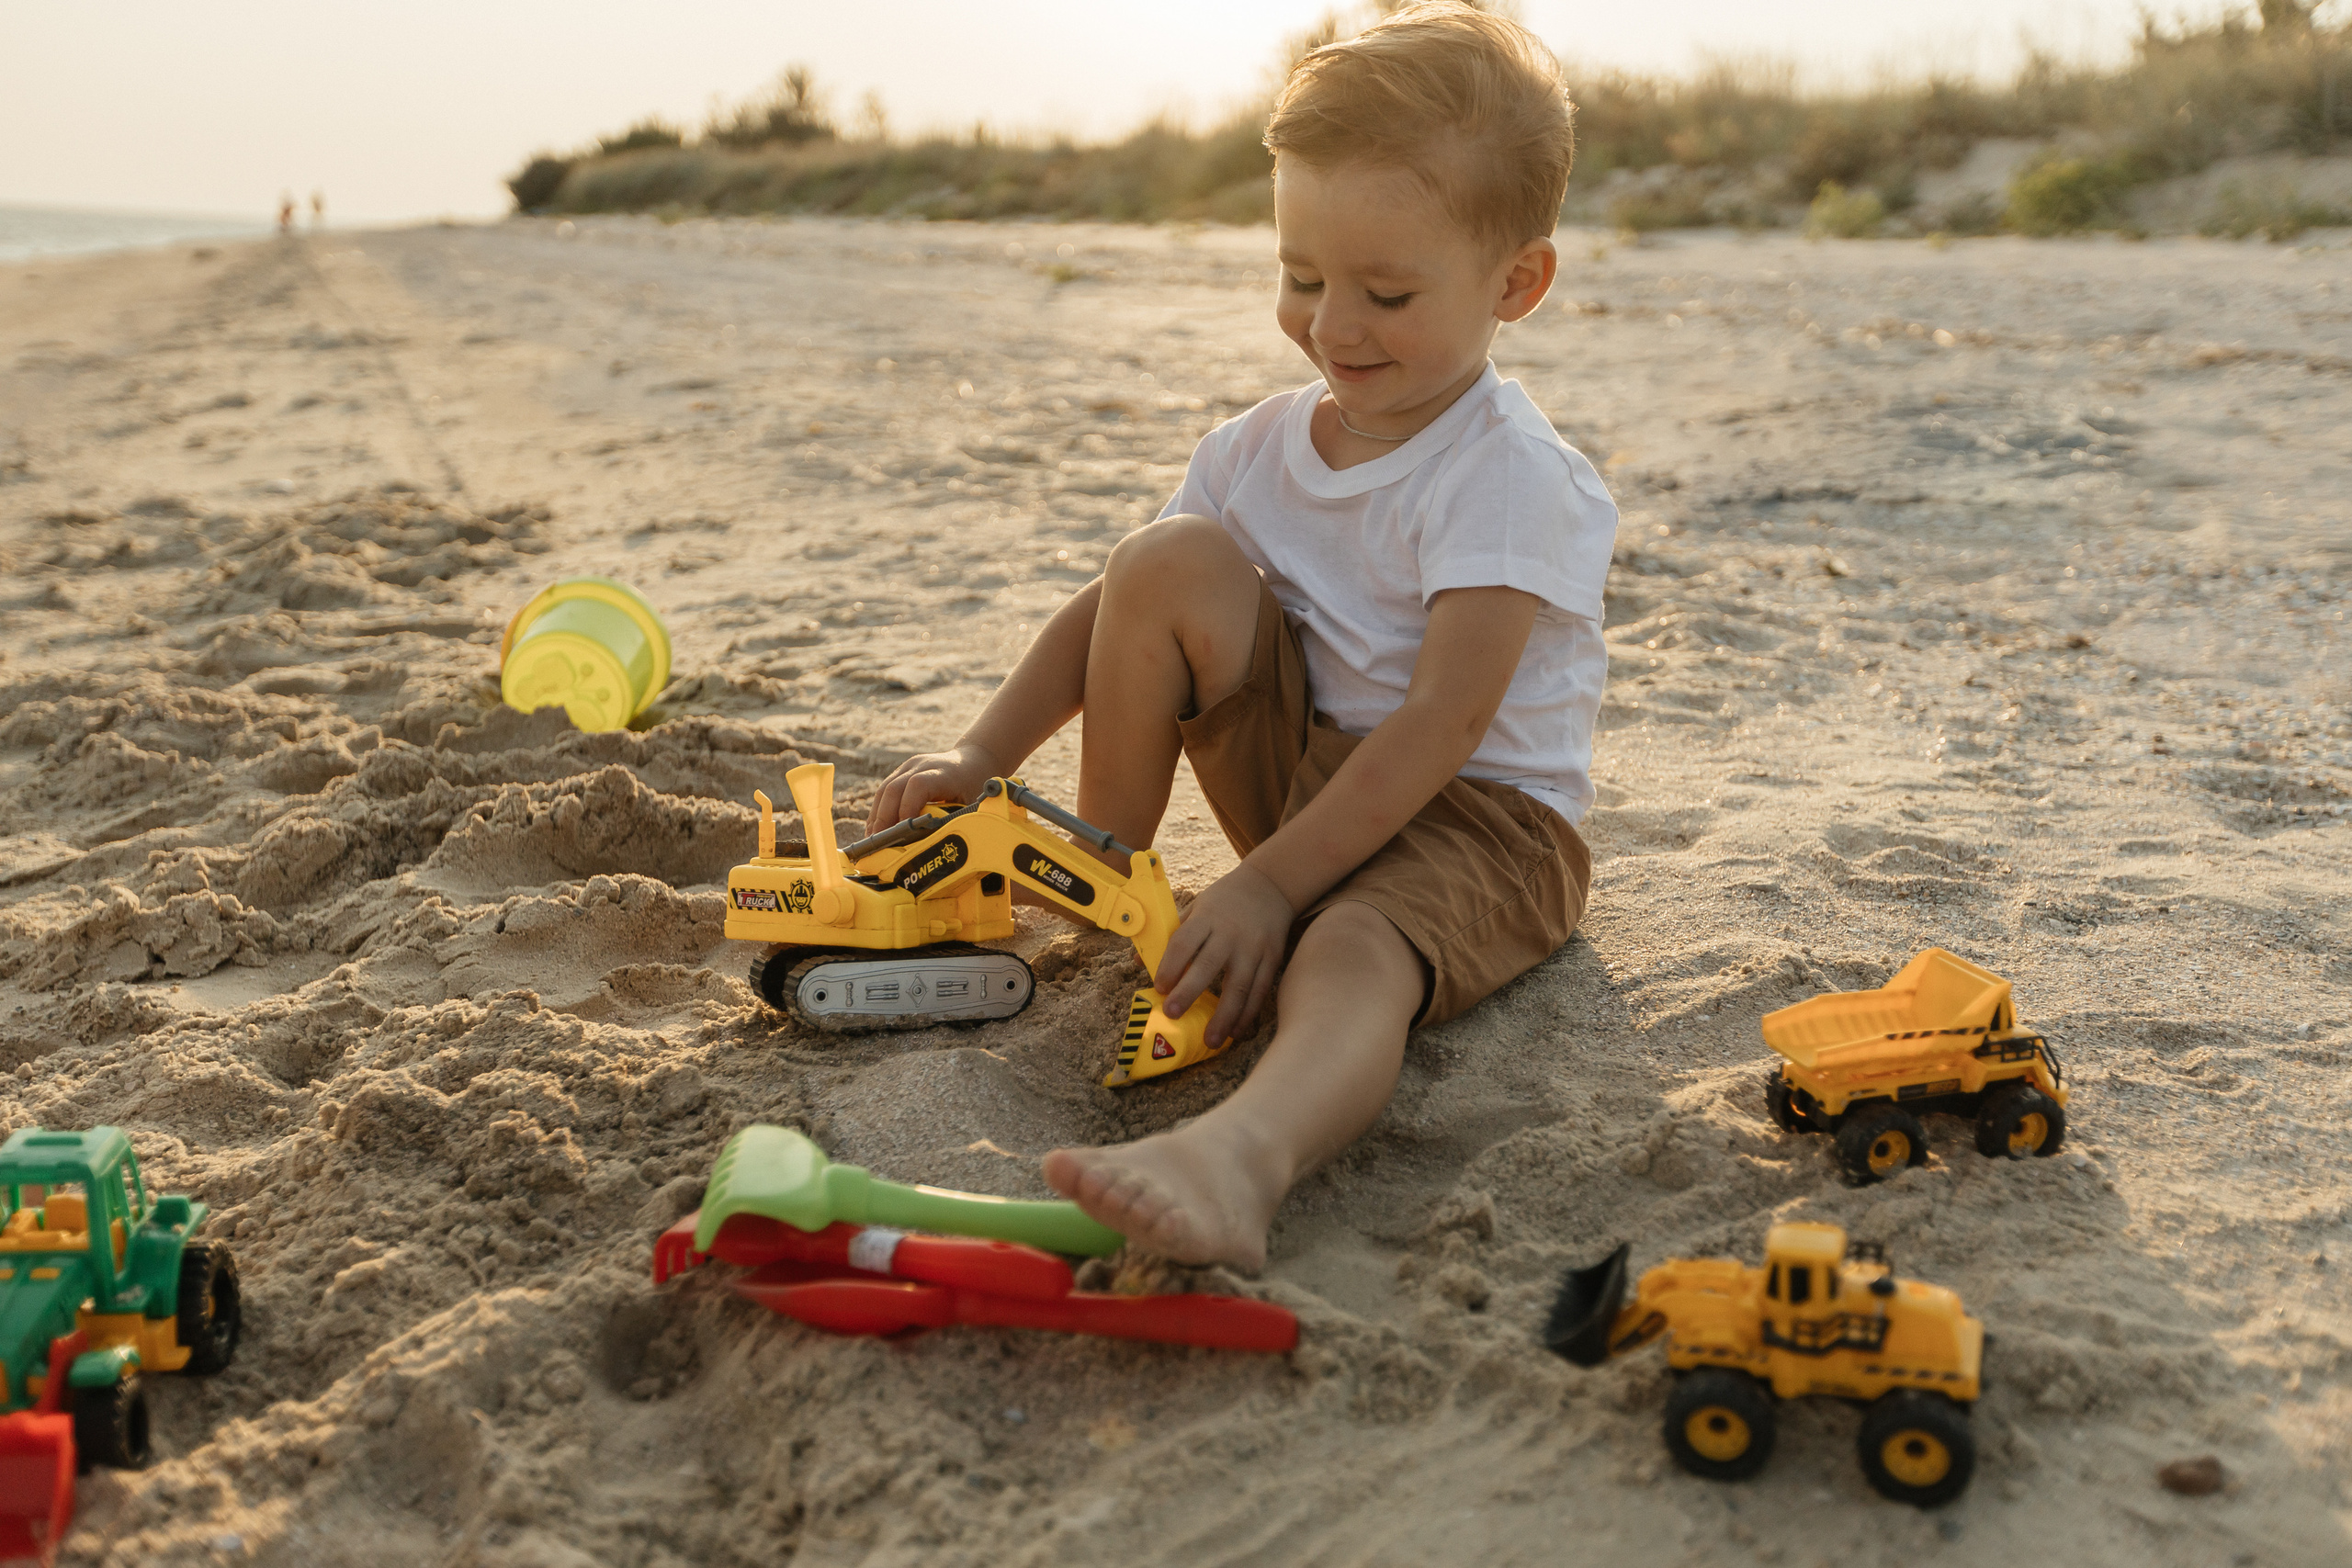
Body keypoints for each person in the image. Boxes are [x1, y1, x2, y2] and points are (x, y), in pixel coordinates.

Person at [865, 2, 1614, 1269]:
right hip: (1311, 775)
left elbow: (1445, 721)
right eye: (1301, 278)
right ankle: (1107, 866)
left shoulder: (1506, 474)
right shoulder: (1257, 448)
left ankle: (1243, 1156)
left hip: (1480, 823)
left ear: (1515, 284)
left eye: (1386, 293)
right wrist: (985, 754)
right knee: (1164, 558)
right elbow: (1117, 608)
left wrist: (1269, 884)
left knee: (1352, 946)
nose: (1333, 326)